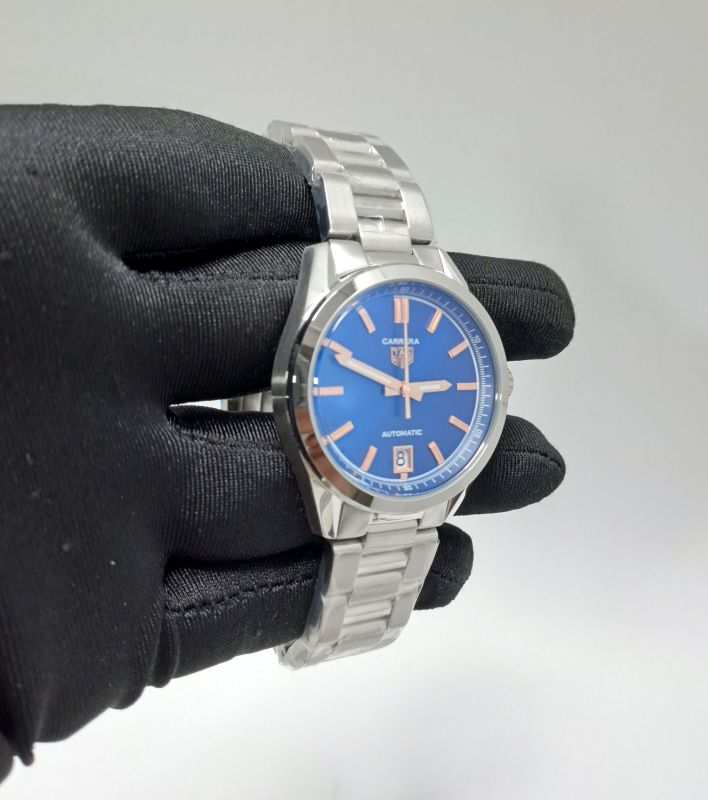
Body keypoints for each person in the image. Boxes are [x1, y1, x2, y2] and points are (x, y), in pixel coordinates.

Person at [0, 105, 574, 781]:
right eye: (390, 382)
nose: (403, 391)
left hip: (416, 475)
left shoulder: (454, 399)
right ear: (285, 386)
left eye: (407, 387)